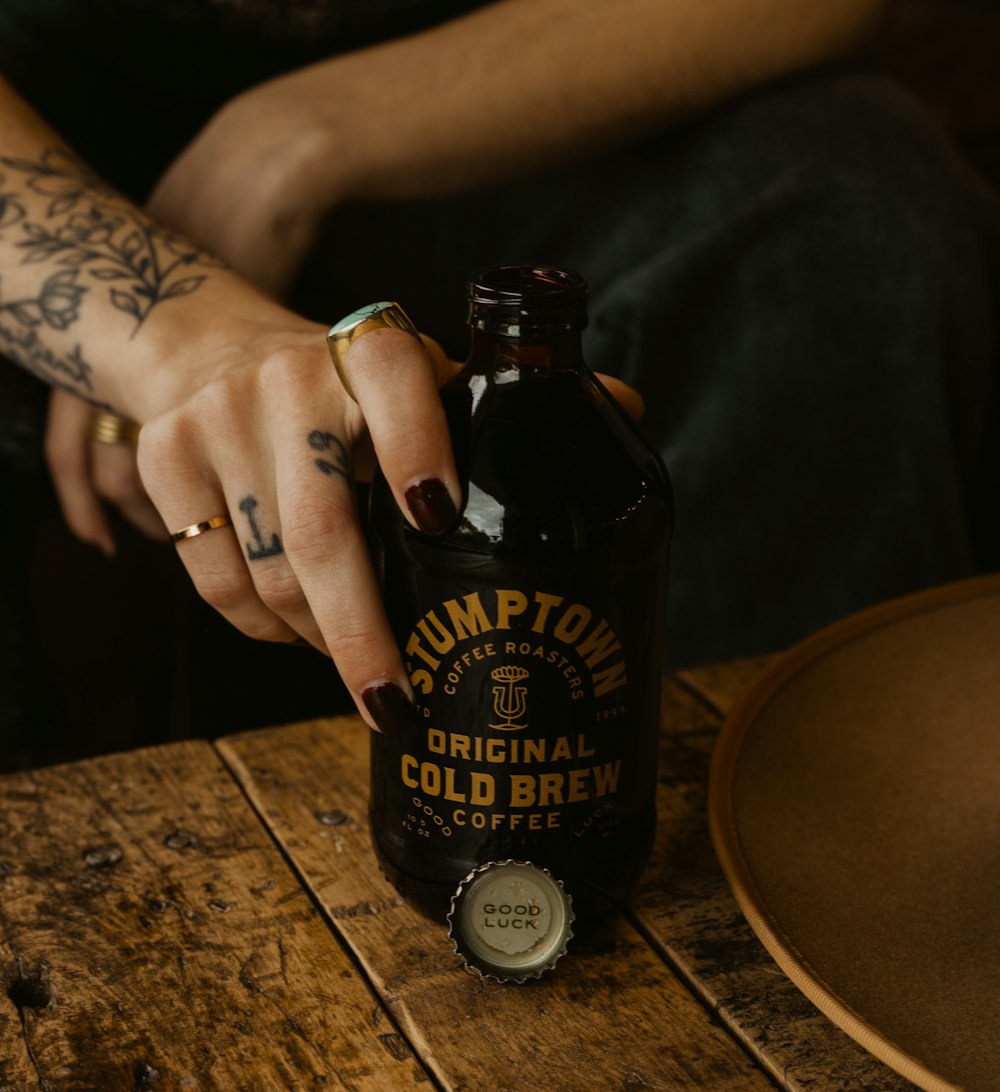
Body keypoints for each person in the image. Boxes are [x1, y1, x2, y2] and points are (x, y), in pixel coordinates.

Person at [0, 0, 997, 767]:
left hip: (513, 85)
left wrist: (290, 141)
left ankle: (766, 831)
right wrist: (168, 333)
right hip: (47, 139)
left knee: (850, 226)